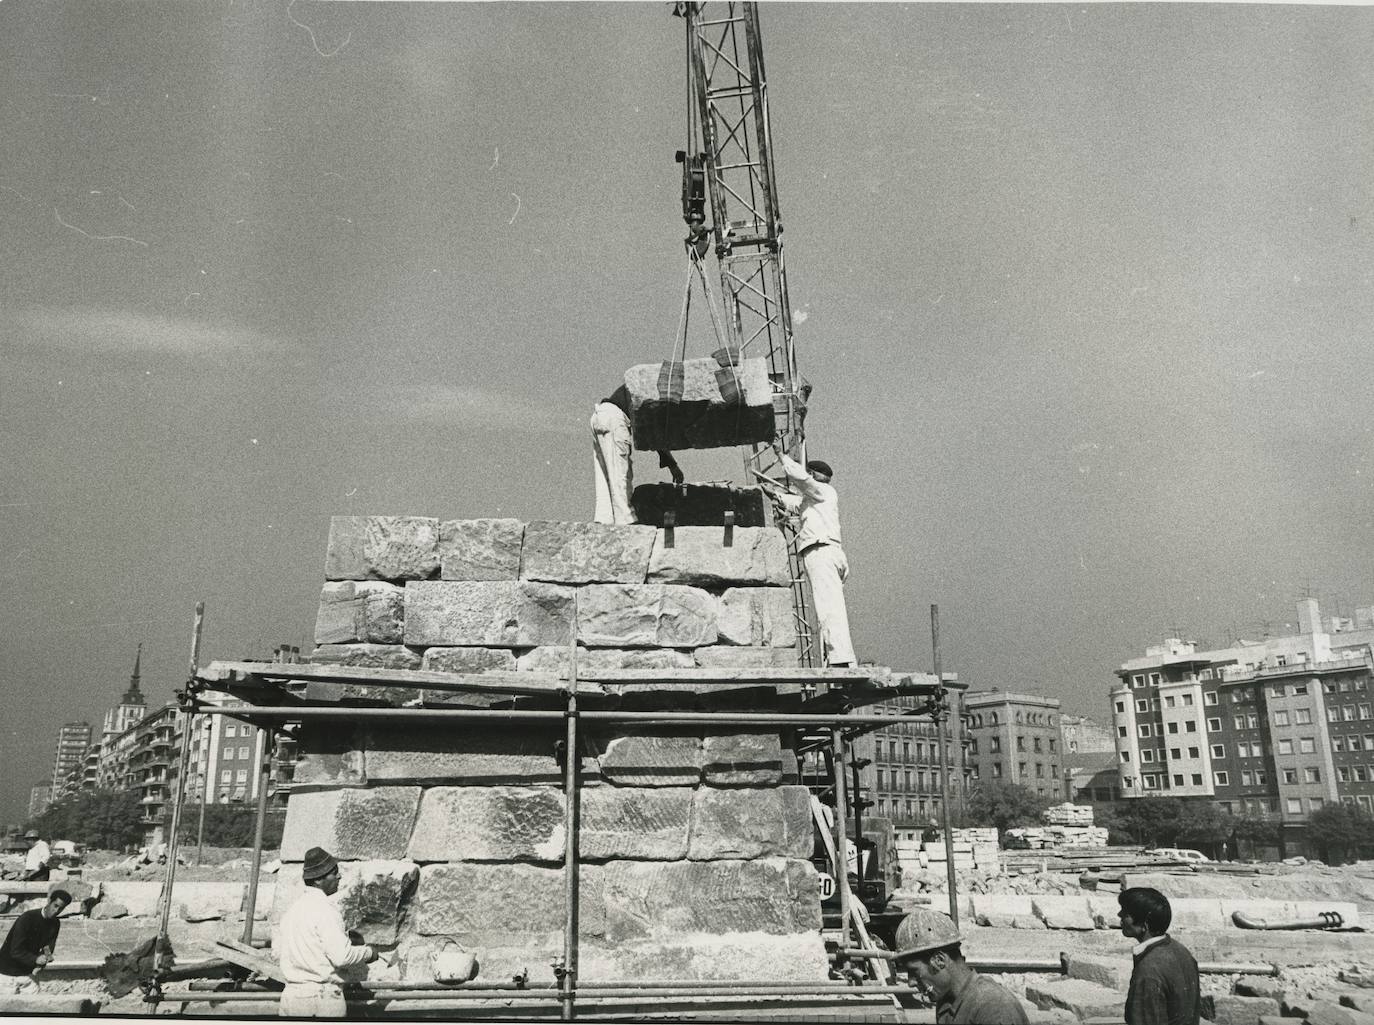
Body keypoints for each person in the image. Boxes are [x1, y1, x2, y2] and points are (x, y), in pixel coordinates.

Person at [764, 439, 855, 666]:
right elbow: (797, 503)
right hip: (826, 551)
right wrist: (775, 495)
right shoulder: (815, 500)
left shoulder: (823, 491)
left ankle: (841, 660)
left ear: (814, 474)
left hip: (822, 551)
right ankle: (838, 659)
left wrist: (781, 456)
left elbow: (803, 481)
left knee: (829, 608)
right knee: (828, 607)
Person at [274, 847, 377, 1018]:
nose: (339, 877)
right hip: (320, 999)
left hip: (291, 997)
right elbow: (342, 957)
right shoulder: (325, 910)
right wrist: (369, 953)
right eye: (333, 873)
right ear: (318, 880)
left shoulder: (292, 911)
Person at [892, 908, 1028, 1024]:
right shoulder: (947, 1001)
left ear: (939, 960)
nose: (910, 982)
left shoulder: (993, 1007)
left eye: (914, 971)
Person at [591, 385, 683, 524]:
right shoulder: (658, 392)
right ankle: (626, 520)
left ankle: (603, 519)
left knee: (605, 474)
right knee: (621, 474)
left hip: (599, 416)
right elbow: (655, 436)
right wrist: (673, 465)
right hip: (615, 418)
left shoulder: (646, 385)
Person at [1119, 886, 1201, 1025]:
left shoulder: (1148, 970)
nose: (1119, 915)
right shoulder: (1180, 950)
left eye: (1126, 914)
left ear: (1145, 924)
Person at [0, 889, 71, 995]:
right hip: (7, 973)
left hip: (27, 975)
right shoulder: (27, 918)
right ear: (49, 901)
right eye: (55, 906)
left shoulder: (55, 923)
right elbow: (15, 951)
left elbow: (48, 947)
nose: (56, 911)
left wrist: (45, 959)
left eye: (61, 908)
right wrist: (36, 959)